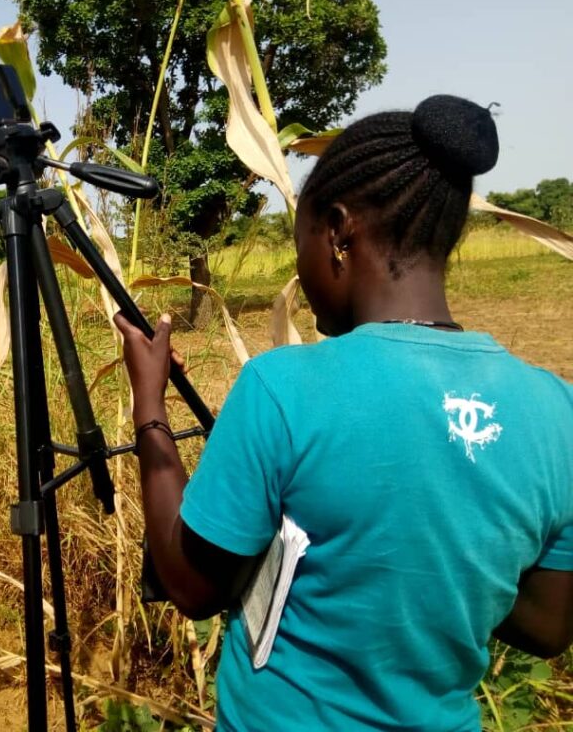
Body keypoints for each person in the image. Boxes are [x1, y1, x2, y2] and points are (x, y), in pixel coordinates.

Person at [115, 95, 573, 730]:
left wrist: (149, 406)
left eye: (298, 240)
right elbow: (551, 626)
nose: (300, 271)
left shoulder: (281, 387)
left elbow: (191, 586)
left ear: (336, 231)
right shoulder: (557, 409)